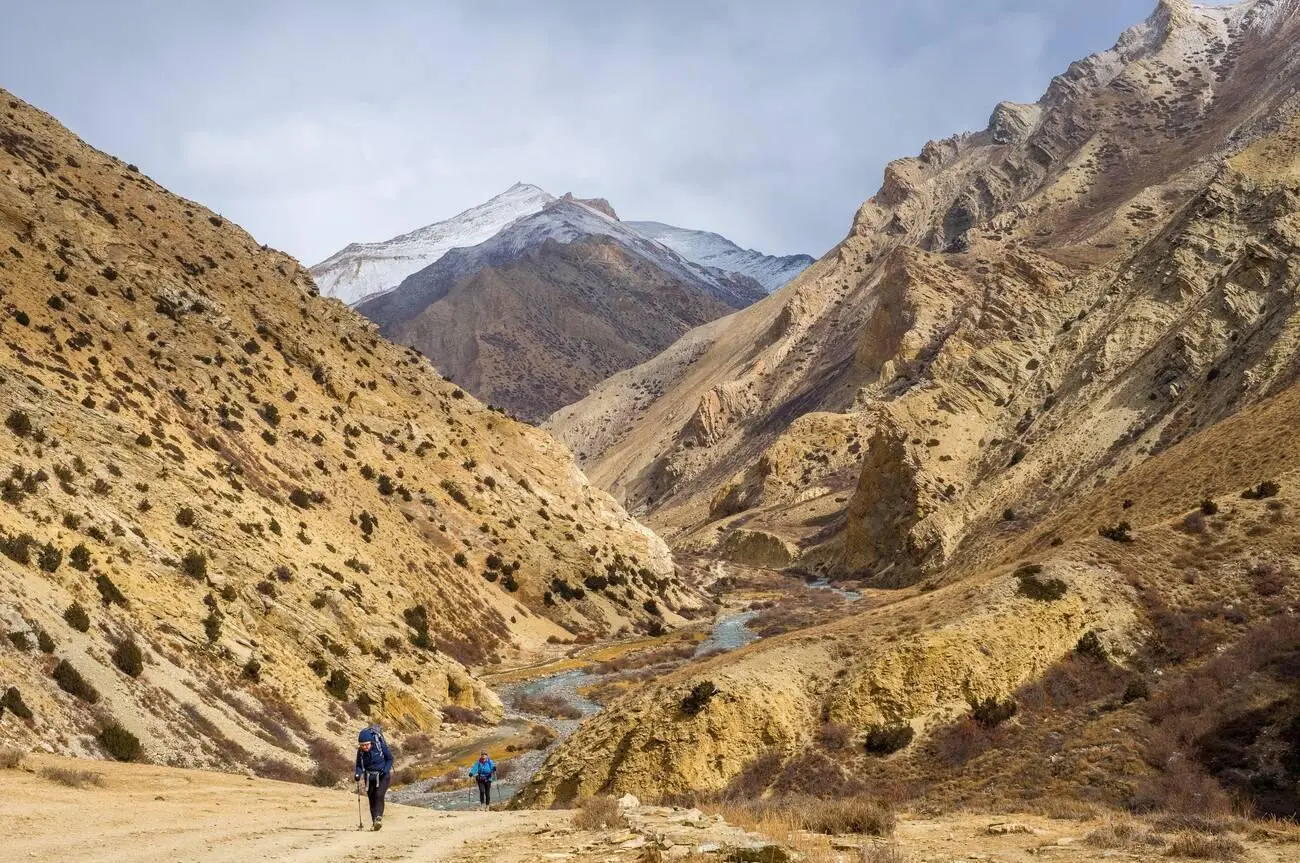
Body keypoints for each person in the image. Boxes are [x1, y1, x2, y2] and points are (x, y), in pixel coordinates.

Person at [354, 726, 394, 831]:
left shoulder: (380, 746)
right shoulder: (361, 752)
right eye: (362, 745)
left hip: (383, 775)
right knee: (371, 799)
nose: (365, 747)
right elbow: (359, 765)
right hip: (369, 776)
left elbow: (390, 759)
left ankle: (378, 818)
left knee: (379, 794)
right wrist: (357, 774)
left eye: (366, 745)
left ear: (371, 742)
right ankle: (374, 823)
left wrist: (385, 770)